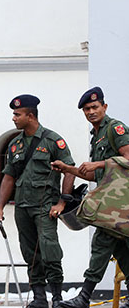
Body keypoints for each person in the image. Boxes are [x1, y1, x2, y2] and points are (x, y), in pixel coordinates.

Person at [0, 94, 75, 308]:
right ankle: (39, 297)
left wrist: (62, 203)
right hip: (23, 206)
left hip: (46, 206)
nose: (13, 118)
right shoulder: (15, 144)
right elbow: (9, 176)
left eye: (17, 114)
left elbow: (70, 171)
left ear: (30, 116)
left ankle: (57, 297)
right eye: (13, 114)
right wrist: (0, 207)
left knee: (49, 249)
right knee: (29, 251)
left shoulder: (52, 140)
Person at [52, 87, 129, 308]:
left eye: (95, 107)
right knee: (120, 249)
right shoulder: (97, 136)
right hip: (114, 203)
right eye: (87, 109)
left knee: (102, 242)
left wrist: (100, 163)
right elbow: (96, 174)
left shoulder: (115, 129)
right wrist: (68, 168)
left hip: (121, 202)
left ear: (104, 107)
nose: (91, 112)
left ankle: (84, 296)